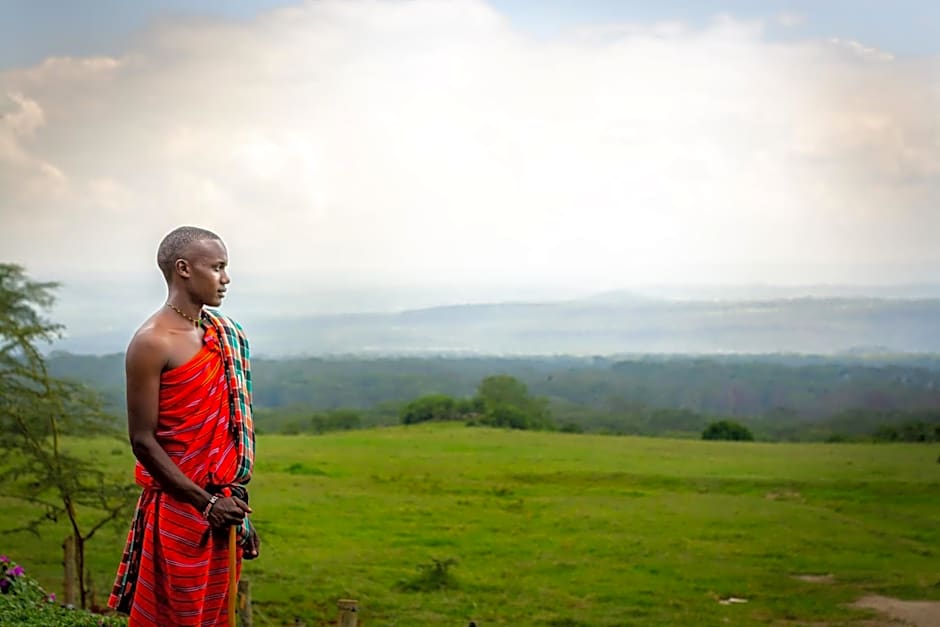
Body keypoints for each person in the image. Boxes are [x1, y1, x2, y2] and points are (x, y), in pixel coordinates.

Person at [109, 226, 260, 626]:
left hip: (224, 511)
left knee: (216, 615)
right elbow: (143, 441)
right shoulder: (152, 342)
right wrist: (204, 503)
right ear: (183, 269)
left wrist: (230, 509)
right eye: (217, 267)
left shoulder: (222, 335)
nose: (226, 279)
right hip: (180, 510)